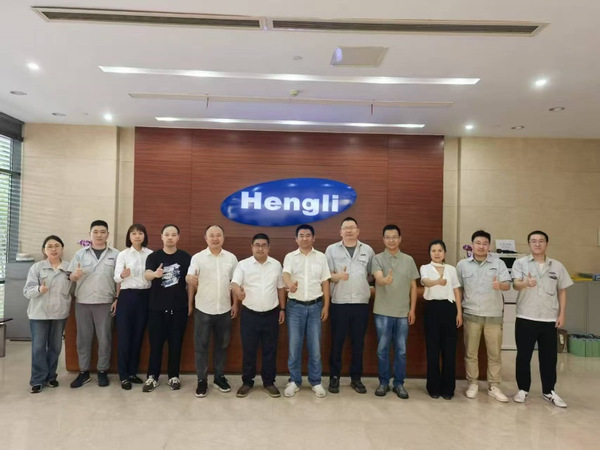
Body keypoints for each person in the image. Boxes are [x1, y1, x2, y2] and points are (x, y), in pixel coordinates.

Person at [512, 230, 572, 408]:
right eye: (533, 241)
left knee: (549, 358)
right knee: (523, 356)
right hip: (525, 316)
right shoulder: (520, 263)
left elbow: (562, 291)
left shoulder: (557, 266)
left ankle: (549, 391)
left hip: (549, 318)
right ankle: (523, 389)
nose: (537, 244)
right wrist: (525, 283)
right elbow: (515, 284)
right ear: (529, 244)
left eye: (541, 241)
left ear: (546, 244)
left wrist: (562, 314)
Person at [456, 230, 511, 402]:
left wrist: (499, 285)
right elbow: (458, 289)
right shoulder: (462, 265)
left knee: (494, 354)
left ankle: (494, 386)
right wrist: (459, 311)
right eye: (478, 243)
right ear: (472, 245)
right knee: (471, 353)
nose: (481, 246)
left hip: (493, 315)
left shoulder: (498, 264)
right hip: (471, 314)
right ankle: (472, 383)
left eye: (485, 243)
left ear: (489, 246)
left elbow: (507, 285)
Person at [231, 233, 286, 398]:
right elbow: (234, 283)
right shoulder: (243, 265)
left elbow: (281, 288)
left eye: (264, 245)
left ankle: (269, 382)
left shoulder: (276, 265)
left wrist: (282, 309)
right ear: (252, 247)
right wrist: (238, 293)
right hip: (250, 315)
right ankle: (247, 382)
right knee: (249, 349)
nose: (260, 248)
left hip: (271, 314)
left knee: (270, 350)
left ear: (269, 248)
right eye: (257, 245)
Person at [186, 225, 238, 398]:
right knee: (201, 346)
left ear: (223, 237)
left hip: (224, 309)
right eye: (211, 235)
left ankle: (219, 377)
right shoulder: (198, 258)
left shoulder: (231, 258)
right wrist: (190, 280)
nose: (215, 238)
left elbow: (235, 283)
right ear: (205, 238)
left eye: (218, 235)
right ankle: (202, 380)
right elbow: (190, 277)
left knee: (222, 345)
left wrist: (235, 304)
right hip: (203, 309)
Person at [325, 217, 374, 394]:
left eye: (352, 227)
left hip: (361, 303)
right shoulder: (331, 250)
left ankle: (356, 378)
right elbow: (326, 275)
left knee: (358, 343)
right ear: (340, 232)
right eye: (345, 228)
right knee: (337, 342)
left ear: (358, 231)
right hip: (339, 302)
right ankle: (334, 377)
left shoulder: (367, 250)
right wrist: (338, 277)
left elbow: (371, 274)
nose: (349, 231)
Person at [282, 224, 331, 398]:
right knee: (294, 347)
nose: (304, 238)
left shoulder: (321, 257)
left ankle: (316, 381)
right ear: (296, 239)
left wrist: (326, 306)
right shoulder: (290, 257)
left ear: (313, 238)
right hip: (295, 307)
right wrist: (290, 284)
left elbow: (325, 282)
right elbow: (285, 274)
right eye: (301, 235)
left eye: (308, 235)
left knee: (315, 347)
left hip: (316, 306)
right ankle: (294, 381)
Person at [68, 220, 119, 388]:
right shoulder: (80, 254)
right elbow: (70, 276)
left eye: (103, 232)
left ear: (108, 235)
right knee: (83, 339)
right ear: (90, 234)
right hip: (83, 302)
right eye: (95, 232)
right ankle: (84, 372)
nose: (99, 235)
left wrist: (117, 298)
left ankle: (102, 371)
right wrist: (74, 276)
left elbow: (119, 280)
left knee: (105, 339)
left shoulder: (116, 254)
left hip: (105, 302)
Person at [372, 224, 419, 399]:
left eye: (394, 237)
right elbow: (378, 278)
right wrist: (384, 280)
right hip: (383, 311)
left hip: (403, 312)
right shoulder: (377, 258)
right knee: (382, 350)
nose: (391, 240)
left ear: (400, 239)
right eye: (388, 237)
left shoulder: (409, 260)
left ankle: (399, 384)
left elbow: (413, 287)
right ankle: (384, 382)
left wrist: (412, 310)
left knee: (401, 351)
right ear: (383, 239)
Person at [142, 224, 191, 392]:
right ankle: (152, 377)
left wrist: (190, 303)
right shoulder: (154, 257)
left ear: (178, 237)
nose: (170, 237)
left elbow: (189, 282)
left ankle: (173, 376)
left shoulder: (186, 257)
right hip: (156, 308)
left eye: (173, 234)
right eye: (167, 234)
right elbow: (147, 274)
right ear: (161, 237)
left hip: (179, 308)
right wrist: (155, 274)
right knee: (155, 344)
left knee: (176, 344)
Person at [23, 235, 72, 393]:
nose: (53, 249)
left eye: (57, 246)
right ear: (44, 250)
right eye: (49, 246)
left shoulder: (69, 268)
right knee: (38, 348)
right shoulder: (37, 268)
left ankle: (51, 376)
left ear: (62, 249)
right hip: (39, 314)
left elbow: (73, 290)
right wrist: (39, 289)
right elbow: (27, 291)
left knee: (55, 347)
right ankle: (38, 380)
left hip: (59, 313)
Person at [420, 239, 462, 400]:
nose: (437, 253)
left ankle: (448, 388)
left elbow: (456, 290)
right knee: (432, 350)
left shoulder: (451, 269)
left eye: (440, 250)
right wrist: (438, 281)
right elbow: (426, 282)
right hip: (432, 309)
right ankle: (433, 387)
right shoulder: (425, 268)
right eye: (433, 251)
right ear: (429, 253)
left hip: (449, 309)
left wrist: (459, 312)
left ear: (444, 253)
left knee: (449, 350)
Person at [113, 224, 152, 390]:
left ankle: (132, 372)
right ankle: (123, 375)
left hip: (145, 297)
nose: (137, 236)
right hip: (127, 297)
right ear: (129, 237)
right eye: (133, 233)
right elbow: (116, 277)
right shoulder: (123, 254)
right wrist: (122, 274)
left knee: (138, 336)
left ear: (144, 236)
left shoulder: (150, 254)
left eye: (140, 233)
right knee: (124, 337)